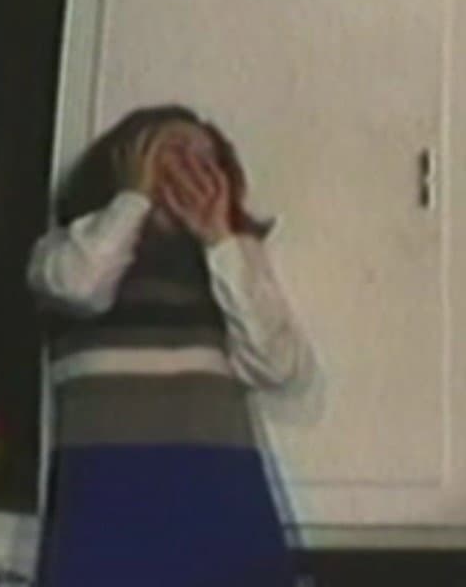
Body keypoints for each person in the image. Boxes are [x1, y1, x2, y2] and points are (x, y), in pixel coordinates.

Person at [27, 104, 309, 586]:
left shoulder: (231, 266)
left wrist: (220, 239)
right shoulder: (61, 253)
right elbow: (80, 288)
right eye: (172, 153)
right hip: (104, 523)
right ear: (127, 163)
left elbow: (278, 366)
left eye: (207, 160)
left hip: (223, 525)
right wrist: (132, 201)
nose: (191, 170)